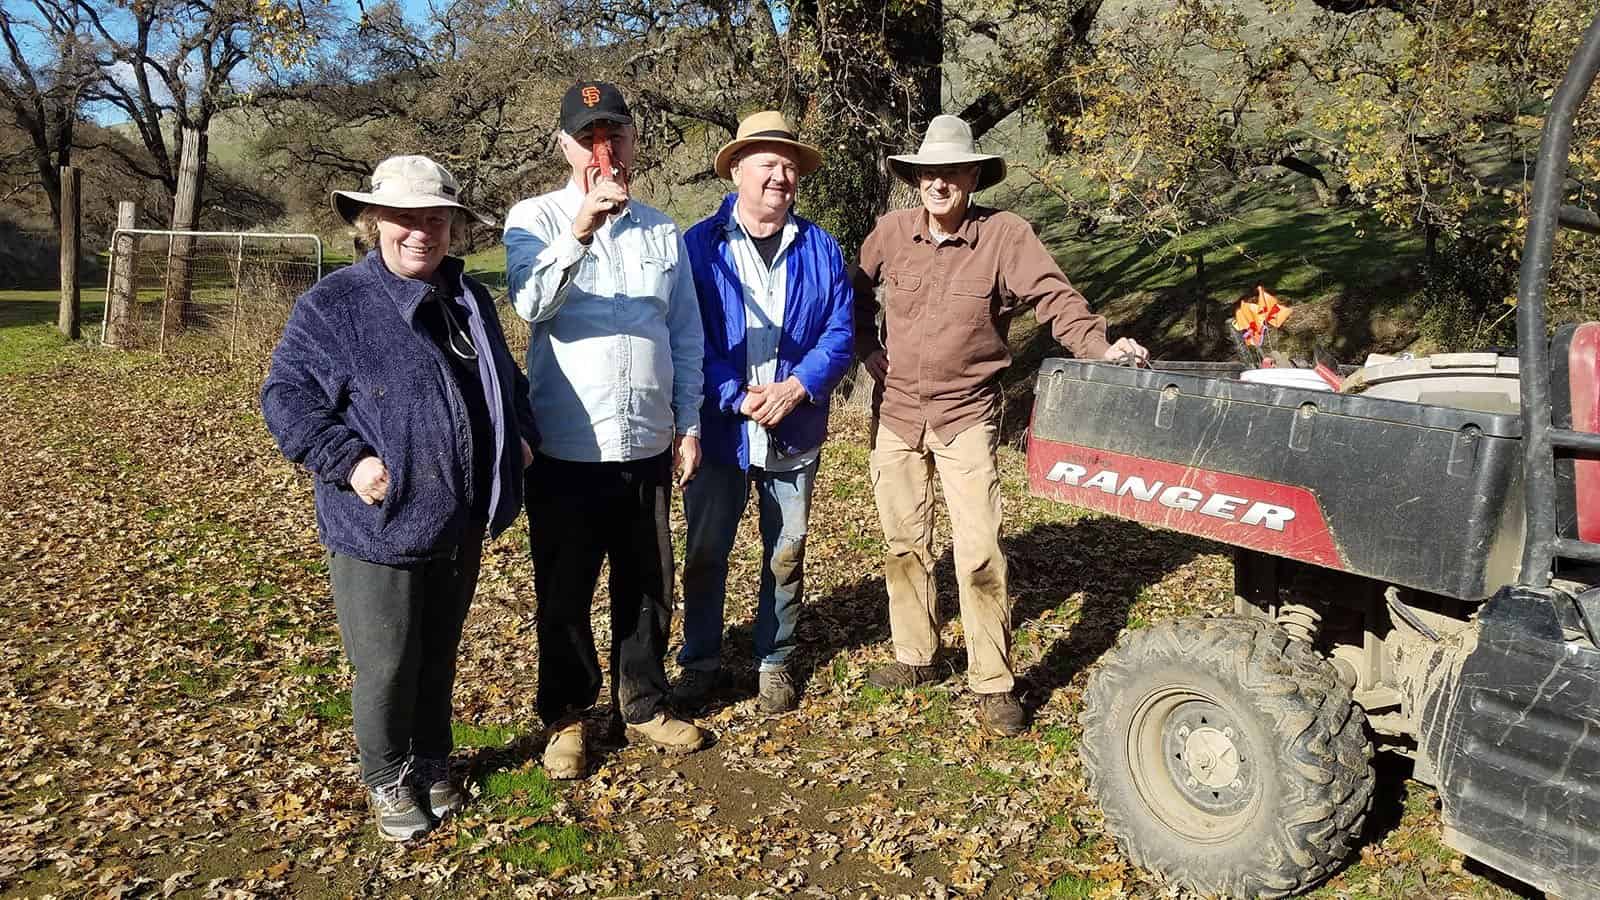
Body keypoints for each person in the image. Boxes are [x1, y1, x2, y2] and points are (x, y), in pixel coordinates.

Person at [261, 155, 537, 841]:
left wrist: (522, 437)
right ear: (372, 222)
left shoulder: (468, 300)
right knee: (386, 662)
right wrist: (348, 461)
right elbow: (286, 398)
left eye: (436, 218)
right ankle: (388, 778)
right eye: (405, 218)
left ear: (452, 226)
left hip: (459, 518)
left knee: (439, 651)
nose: (421, 231)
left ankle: (434, 758)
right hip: (378, 524)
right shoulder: (335, 306)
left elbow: (509, 384)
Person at [853, 115, 1147, 736]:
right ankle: (917, 656)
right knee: (904, 544)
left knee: (980, 551)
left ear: (973, 176)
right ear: (915, 179)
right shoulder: (889, 233)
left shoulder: (1004, 235)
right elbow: (847, 293)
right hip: (899, 413)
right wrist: (861, 346)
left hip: (967, 415)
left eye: (953, 171)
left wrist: (1098, 348)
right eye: (929, 172)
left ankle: (992, 681)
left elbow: (1054, 297)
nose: (940, 183)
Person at [503, 81, 707, 779]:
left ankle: (643, 702)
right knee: (564, 589)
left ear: (634, 142)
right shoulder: (532, 219)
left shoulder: (661, 229)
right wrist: (581, 229)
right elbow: (532, 302)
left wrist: (688, 422)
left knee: (648, 581)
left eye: (615, 133)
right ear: (564, 145)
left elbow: (684, 334)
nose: (604, 148)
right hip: (566, 444)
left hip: (647, 439)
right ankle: (566, 716)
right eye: (588, 136)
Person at [673, 111, 855, 714]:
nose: (781, 175)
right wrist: (736, 395)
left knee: (788, 547)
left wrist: (799, 386)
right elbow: (687, 334)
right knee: (705, 551)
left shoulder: (820, 246)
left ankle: (773, 658)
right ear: (737, 171)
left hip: (794, 428)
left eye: (790, 166)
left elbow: (840, 330)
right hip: (721, 432)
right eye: (768, 164)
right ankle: (699, 659)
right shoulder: (699, 247)